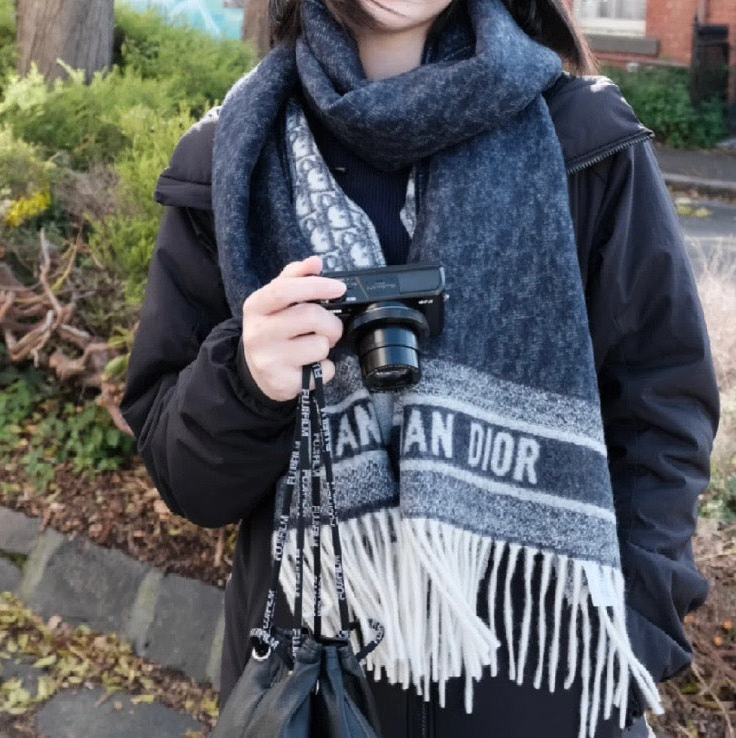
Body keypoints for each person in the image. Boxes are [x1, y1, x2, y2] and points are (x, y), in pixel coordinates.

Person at [119, 0, 720, 735]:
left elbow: (662, 411)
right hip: (316, 689)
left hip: (543, 677)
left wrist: (626, 629)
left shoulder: (580, 140)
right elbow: (187, 480)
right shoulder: (230, 158)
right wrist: (245, 380)